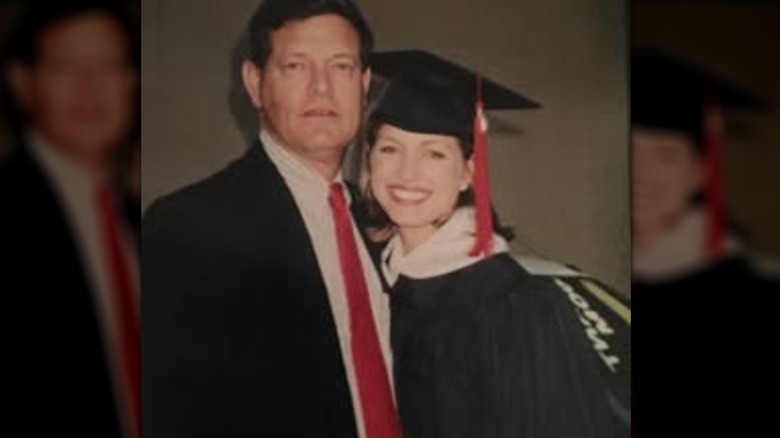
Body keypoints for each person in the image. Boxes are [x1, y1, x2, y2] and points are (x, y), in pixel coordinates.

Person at [142, 1, 401, 437]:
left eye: (340, 67)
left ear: (364, 83)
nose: (322, 88)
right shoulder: (190, 227)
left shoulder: (381, 224)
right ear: (255, 82)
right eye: (296, 66)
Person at [362, 49, 615, 438]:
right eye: (390, 148)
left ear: (467, 173)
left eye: (434, 153)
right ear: (370, 160)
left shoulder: (516, 304)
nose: (407, 172)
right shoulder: (372, 284)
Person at [0, 3, 139, 437]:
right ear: (23, 83)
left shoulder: (139, 221)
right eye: (64, 68)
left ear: (131, 82)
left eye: (108, 67)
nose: (89, 89)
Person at [631, 50, 777, 437]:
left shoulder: (747, 297)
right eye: (630, 151)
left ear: (698, 172)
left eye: (664, 155)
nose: (641, 173)